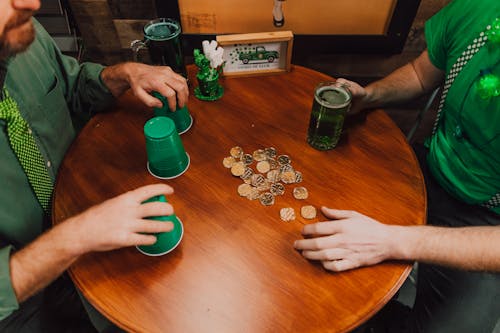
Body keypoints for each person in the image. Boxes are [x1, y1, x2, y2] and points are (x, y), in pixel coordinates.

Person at [294, 0, 500, 332]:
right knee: (314, 264)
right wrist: (370, 97)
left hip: (489, 221)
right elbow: (421, 74)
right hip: (426, 169)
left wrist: (394, 241)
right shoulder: (483, 8)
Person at [0, 0, 189, 331]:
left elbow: (71, 86)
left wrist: (120, 74)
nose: (30, 2)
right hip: (26, 306)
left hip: (94, 217)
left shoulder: (16, 32)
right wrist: (74, 237)